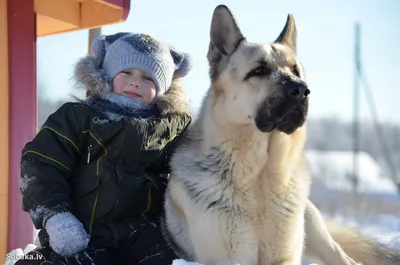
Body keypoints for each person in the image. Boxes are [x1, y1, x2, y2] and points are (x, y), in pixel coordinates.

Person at [15, 32, 192, 265]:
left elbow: (198, 171)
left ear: (163, 88)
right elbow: (42, 164)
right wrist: (56, 216)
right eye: (126, 72)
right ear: (107, 75)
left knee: (171, 260)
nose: (135, 81)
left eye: (148, 77)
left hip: (144, 235)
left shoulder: (171, 130)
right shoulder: (78, 118)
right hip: (82, 231)